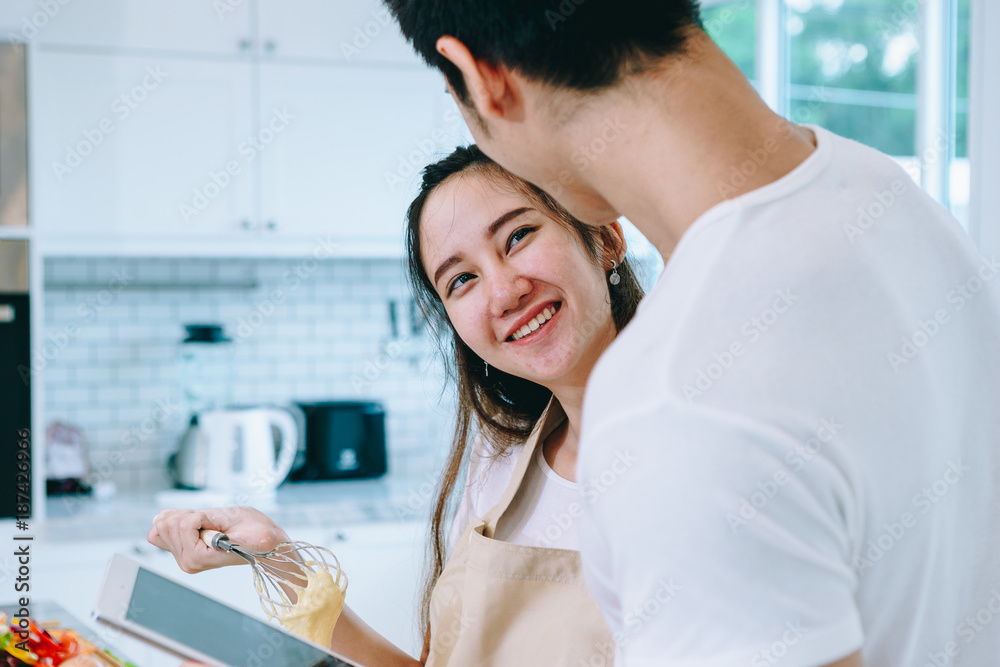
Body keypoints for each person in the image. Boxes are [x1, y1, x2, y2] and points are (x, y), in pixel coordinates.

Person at [382, 1, 1000, 666]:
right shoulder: (888, 195)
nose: (503, 287)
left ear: (482, 80)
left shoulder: (673, 400)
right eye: (462, 279)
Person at [147, 144, 644, 666]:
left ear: (606, 236)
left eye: (517, 237)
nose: (503, 293)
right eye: (461, 280)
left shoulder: (704, 448)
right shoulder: (498, 462)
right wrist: (279, 559)